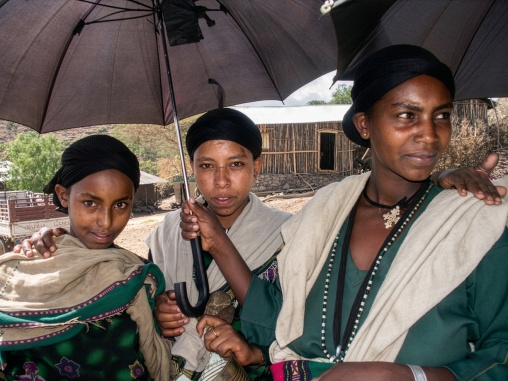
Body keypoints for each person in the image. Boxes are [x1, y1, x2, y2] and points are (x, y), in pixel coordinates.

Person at [15, 109, 505, 379]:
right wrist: (163, 309)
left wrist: (440, 178)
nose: (221, 182)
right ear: (192, 171)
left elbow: (294, 318)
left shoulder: (292, 231)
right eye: (206, 166)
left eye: (236, 165)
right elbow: (138, 288)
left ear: (257, 167)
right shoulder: (165, 231)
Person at [184, 45, 508, 381]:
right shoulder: (326, 212)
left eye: (441, 115)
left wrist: (407, 376)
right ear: (364, 124)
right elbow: (283, 319)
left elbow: (501, 353)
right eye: (406, 115)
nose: (429, 133)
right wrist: (219, 243)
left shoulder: (475, 223)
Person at [0, 135, 173, 381]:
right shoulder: (23, 268)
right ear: (63, 196)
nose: (106, 221)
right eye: (90, 203)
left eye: (121, 205)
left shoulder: (136, 274)